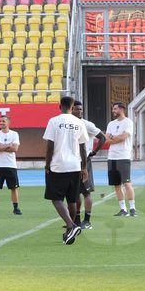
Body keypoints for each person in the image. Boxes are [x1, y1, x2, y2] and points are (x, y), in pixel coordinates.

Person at [42, 95, 90, 245]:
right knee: (72, 199)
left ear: (59, 106)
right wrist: (84, 167)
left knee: (56, 198)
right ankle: (70, 232)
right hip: (75, 165)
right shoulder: (79, 123)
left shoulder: (54, 121)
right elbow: (83, 146)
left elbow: (50, 145)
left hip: (58, 165)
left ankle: (71, 225)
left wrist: (47, 163)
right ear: (72, 107)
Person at [71, 99, 106, 229]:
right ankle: (77, 220)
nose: (79, 111)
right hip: (71, 161)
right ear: (71, 109)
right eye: (77, 109)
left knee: (86, 192)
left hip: (84, 161)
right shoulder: (69, 124)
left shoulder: (87, 124)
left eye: (81, 109)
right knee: (74, 193)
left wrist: (94, 152)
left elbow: (102, 137)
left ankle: (87, 220)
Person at [104, 102, 136, 217]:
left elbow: (124, 137)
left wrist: (114, 137)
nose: (113, 111)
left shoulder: (128, 122)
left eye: (115, 109)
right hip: (112, 156)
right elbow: (106, 139)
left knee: (127, 183)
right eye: (113, 109)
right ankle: (123, 209)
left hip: (123, 156)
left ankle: (132, 208)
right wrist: (115, 138)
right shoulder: (111, 123)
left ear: (122, 109)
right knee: (116, 185)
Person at [0, 112, 21, 216]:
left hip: (11, 165)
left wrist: (1, 146)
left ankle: (16, 208)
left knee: (14, 188)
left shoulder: (14, 134)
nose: (1, 123)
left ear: (8, 122)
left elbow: (15, 148)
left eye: (3, 121)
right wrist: (8, 146)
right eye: (0, 121)